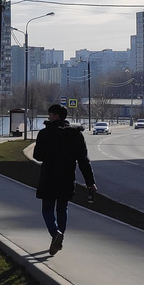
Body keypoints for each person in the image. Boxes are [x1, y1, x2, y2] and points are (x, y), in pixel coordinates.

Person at [33, 103, 97, 255]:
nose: (48, 117)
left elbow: (37, 156)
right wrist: (90, 182)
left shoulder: (45, 134)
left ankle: (55, 234)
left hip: (48, 177)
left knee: (47, 209)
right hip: (67, 178)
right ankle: (60, 234)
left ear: (55, 116)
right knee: (62, 208)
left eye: (49, 115)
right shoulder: (76, 135)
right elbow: (83, 160)